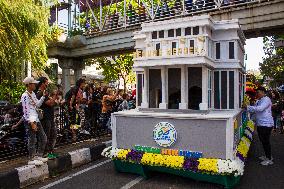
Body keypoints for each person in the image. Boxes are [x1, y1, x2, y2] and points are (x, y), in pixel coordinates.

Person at [21, 77, 47, 165]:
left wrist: (43, 96)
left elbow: (37, 105)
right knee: (32, 139)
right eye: (33, 84)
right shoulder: (25, 96)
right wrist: (31, 122)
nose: (35, 85)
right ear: (29, 85)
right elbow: (25, 110)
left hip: (36, 118)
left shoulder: (32, 94)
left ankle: (38, 156)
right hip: (31, 120)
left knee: (43, 137)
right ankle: (31, 158)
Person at [244, 86, 274, 166]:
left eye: (258, 92)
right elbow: (256, 112)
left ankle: (269, 159)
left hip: (266, 124)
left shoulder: (266, 99)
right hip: (261, 124)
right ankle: (267, 156)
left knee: (265, 141)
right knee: (263, 141)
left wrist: (247, 107)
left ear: (263, 92)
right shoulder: (259, 100)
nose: (257, 94)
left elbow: (260, 109)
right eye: (257, 93)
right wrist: (251, 120)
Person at [36, 77, 59, 159]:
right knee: (47, 136)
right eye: (46, 82)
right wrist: (55, 95)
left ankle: (50, 152)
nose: (47, 84)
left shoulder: (45, 93)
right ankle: (45, 153)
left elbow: (54, 103)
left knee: (53, 135)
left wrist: (54, 96)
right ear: (42, 83)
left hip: (50, 118)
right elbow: (50, 103)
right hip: (45, 118)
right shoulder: (40, 94)